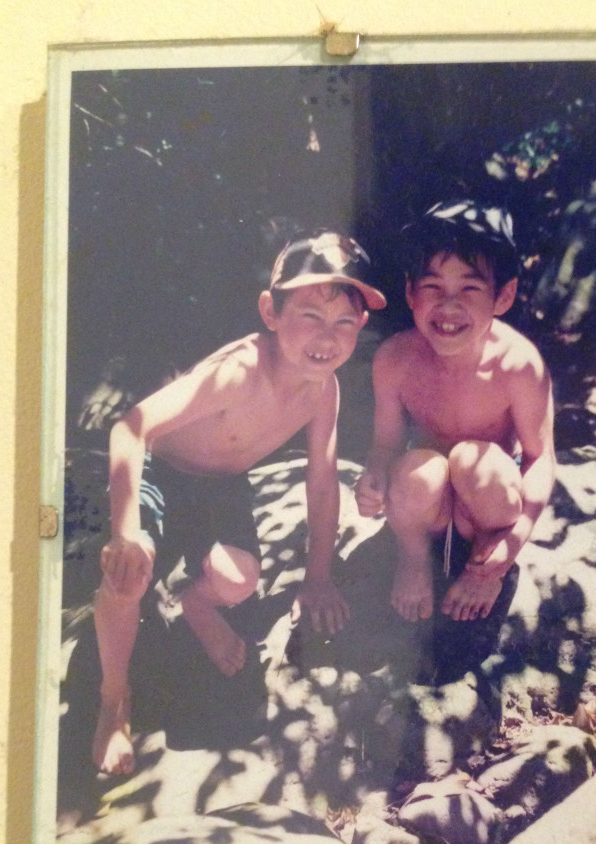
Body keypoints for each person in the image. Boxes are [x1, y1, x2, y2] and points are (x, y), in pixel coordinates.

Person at [93, 230, 386, 775]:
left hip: (222, 488)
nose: (328, 337)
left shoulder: (325, 388)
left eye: (344, 321)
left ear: (361, 327)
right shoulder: (238, 371)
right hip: (162, 471)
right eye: (311, 317)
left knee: (240, 580)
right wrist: (125, 530)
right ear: (270, 313)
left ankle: (195, 603)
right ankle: (115, 702)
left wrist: (317, 577)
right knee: (128, 575)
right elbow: (129, 428)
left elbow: (321, 482)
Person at [355, 199, 555, 626]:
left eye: (469, 288)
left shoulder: (520, 365)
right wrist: (373, 477)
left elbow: (540, 460)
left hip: (484, 507)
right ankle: (412, 559)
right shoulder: (394, 359)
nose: (448, 307)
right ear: (410, 292)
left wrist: (512, 542)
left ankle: (485, 564)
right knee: (414, 469)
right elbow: (385, 445)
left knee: (474, 460)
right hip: (426, 506)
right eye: (432, 287)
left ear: (503, 295)